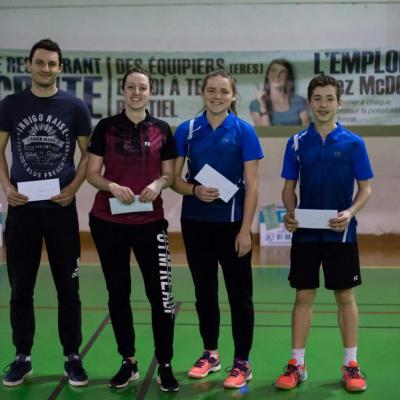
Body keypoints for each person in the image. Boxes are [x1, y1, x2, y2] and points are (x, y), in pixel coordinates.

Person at [0, 38, 91, 387]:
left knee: (68, 288)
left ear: (60, 68)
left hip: (60, 210)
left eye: (52, 64)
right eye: (40, 63)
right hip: (22, 211)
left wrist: (73, 189)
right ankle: (22, 356)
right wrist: (7, 188)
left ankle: (72, 356)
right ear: (29, 65)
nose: (46, 69)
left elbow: (88, 156)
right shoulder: (11, 105)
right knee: (20, 288)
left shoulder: (76, 106)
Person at [275, 74, 373, 392]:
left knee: (345, 296)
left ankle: (351, 364)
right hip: (305, 231)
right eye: (317, 98)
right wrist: (289, 213)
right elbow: (289, 188)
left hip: (340, 233)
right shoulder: (296, 142)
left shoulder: (354, 143)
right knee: (303, 295)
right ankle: (297, 364)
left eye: (330, 98)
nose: (323, 104)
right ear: (310, 103)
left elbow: (366, 189)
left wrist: (350, 212)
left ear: (339, 103)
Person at [86, 67, 179, 392]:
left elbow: (169, 175)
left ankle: (165, 363)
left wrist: (158, 182)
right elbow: (92, 173)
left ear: (150, 92)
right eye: (131, 87)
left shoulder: (162, 130)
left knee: (161, 296)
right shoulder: (106, 128)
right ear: (123, 91)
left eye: (142, 87)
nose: (136, 92)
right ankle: (129, 361)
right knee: (118, 293)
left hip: (150, 224)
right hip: (108, 222)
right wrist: (111, 186)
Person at [172, 69, 263, 389]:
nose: (217, 96)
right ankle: (210, 353)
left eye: (223, 91)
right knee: (204, 292)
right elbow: (173, 178)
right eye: (211, 90)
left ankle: (242, 362)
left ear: (233, 96)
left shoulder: (244, 131)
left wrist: (245, 230)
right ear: (202, 93)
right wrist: (193, 191)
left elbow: (252, 185)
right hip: (195, 223)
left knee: (240, 296)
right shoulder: (186, 130)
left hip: (231, 226)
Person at [250, 59, 309, 126]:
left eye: (282, 72)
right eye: (273, 71)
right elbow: (264, 134)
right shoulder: (256, 104)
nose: (277, 75)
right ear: (268, 75)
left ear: (288, 77)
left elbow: (307, 131)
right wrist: (263, 106)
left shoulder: (299, 101)